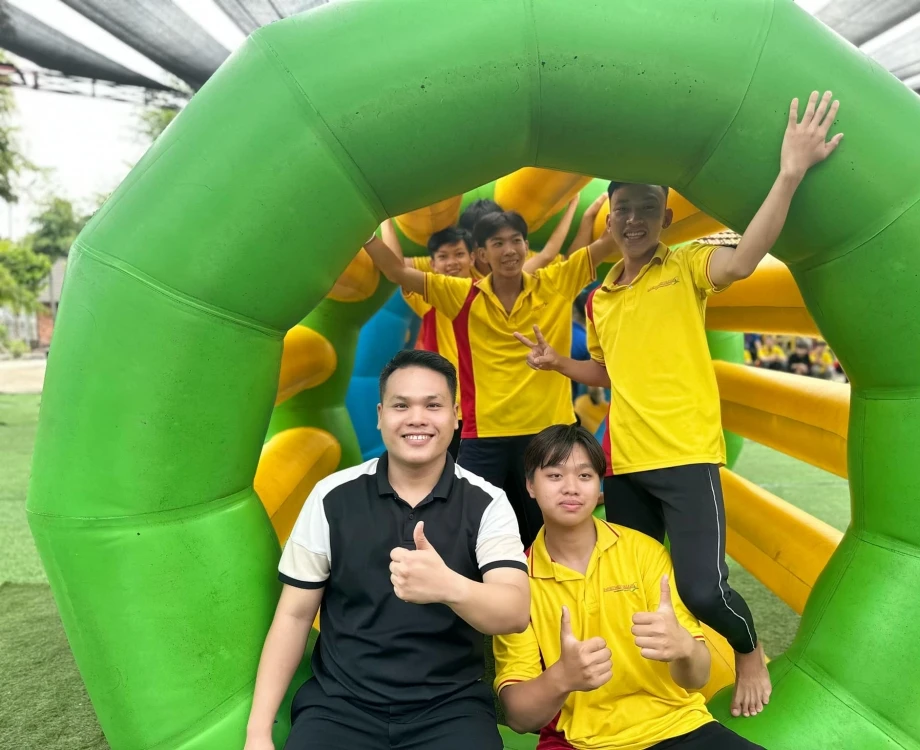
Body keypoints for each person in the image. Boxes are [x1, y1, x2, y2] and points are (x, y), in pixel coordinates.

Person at [516, 90, 843, 718]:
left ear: (666, 218)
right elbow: (608, 371)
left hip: (686, 456)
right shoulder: (600, 298)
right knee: (635, 589)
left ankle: (748, 651)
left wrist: (790, 172)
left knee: (701, 588)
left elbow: (744, 259)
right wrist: (559, 363)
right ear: (609, 220)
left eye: (647, 208)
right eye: (623, 209)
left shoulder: (687, 265)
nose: (633, 219)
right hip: (625, 463)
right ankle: (649, 687)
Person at [244, 350, 530, 750]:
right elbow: (294, 615)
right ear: (380, 415)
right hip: (340, 707)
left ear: (455, 416)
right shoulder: (332, 496)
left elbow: (514, 612)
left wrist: (448, 586)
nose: (417, 418)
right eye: (401, 405)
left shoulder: (488, 502)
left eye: (433, 405)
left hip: (450, 710)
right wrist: (258, 732)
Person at [493, 424, 766, 750]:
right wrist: (562, 677)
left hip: (678, 727)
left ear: (599, 485)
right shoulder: (517, 580)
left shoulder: (644, 552)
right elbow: (519, 718)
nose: (571, 488)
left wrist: (684, 647)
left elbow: (696, 678)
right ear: (530, 485)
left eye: (584, 476)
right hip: (582, 743)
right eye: (554, 475)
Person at [364, 210, 618, 547]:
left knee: (548, 533)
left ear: (526, 246)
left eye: (516, 241)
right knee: (467, 526)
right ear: (482, 254)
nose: (509, 250)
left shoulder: (555, 281)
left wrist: (612, 217)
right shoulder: (460, 294)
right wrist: (367, 235)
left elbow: (603, 246)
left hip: (548, 431)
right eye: (498, 243)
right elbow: (397, 271)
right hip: (485, 434)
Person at [391, 222, 475, 459]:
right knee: (446, 472)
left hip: (489, 410)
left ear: (472, 258)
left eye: (459, 254)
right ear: (433, 264)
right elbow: (396, 267)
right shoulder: (429, 298)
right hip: (448, 409)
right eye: (443, 256)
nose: (452, 262)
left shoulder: (488, 292)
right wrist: (386, 220)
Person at [404, 195, 581, 277]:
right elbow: (400, 266)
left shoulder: (514, 261)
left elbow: (566, 260)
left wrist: (580, 214)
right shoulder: (460, 263)